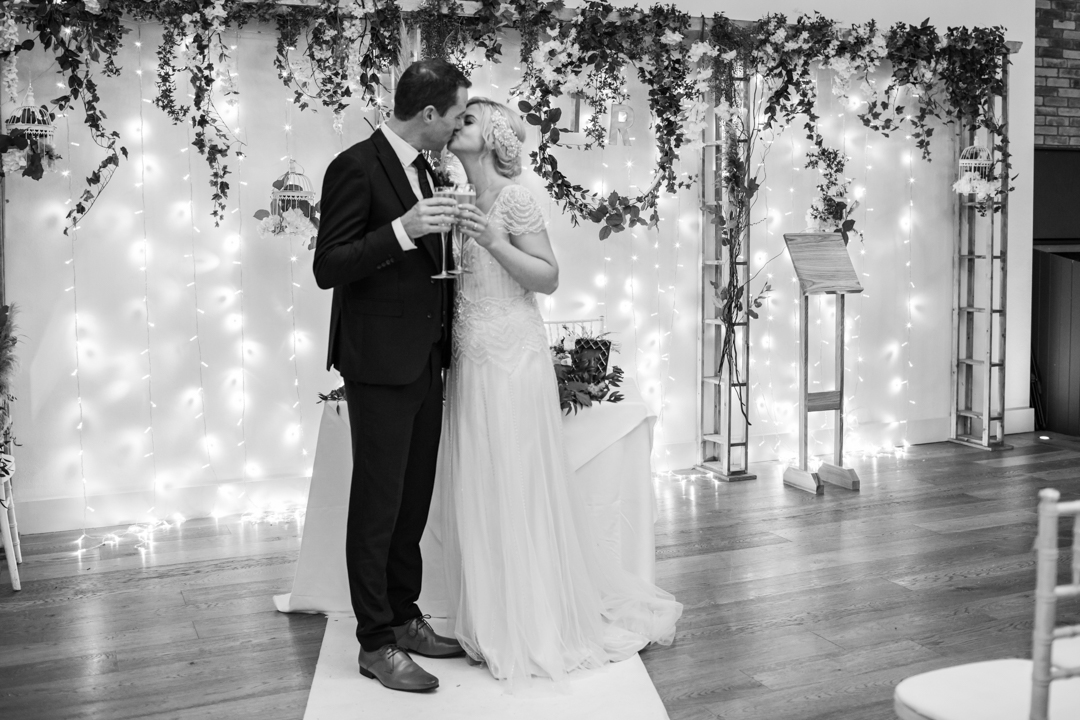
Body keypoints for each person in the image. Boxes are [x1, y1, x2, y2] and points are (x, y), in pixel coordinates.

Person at [435, 98, 683, 686]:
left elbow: (547, 277)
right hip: (470, 356)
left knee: (518, 478)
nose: (454, 124)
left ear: (493, 135)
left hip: (513, 356)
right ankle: (493, 618)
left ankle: (535, 622)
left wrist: (493, 241)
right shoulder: (458, 198)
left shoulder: (515, 198)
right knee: (481, 479)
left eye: (467, 119)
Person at [312, 59, 485, 693]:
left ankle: (405, 617)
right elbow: (329, 266)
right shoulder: (354, 166)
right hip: (379, 363)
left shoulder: (428, 170)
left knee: (412, 502)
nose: (459, 126)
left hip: (425, 357)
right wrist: (401, 230)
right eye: (457, 114)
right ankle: (375, 642)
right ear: (429, 113)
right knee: (378, 507)